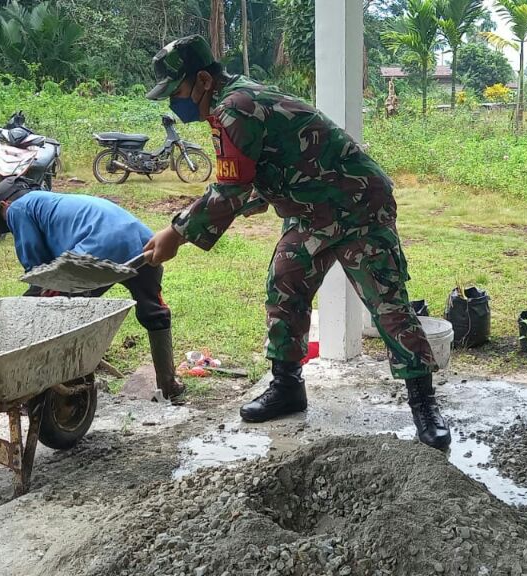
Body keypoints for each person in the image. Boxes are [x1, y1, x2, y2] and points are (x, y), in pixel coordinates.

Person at [140, 35, 451, 450]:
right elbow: (265, 165)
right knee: (285, 283)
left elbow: (229, 190)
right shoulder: (234, 101)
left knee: (387, 303)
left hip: (357, 205)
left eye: (176, 91)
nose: (174, 103)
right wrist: (256, 197)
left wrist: (176, 233)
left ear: (202, 80)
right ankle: (287, 386)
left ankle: (424, 404)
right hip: (310, 212)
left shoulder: (235, 107)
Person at [0, 178, 185, 401]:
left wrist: (42, 292)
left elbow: (34, 261)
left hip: (97, 244)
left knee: (53, 310)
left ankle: (50, 389)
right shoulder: (50, 201)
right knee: (154, 311)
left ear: (4, 205)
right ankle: (168, 384)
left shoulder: (17, 208)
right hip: (143, 241)